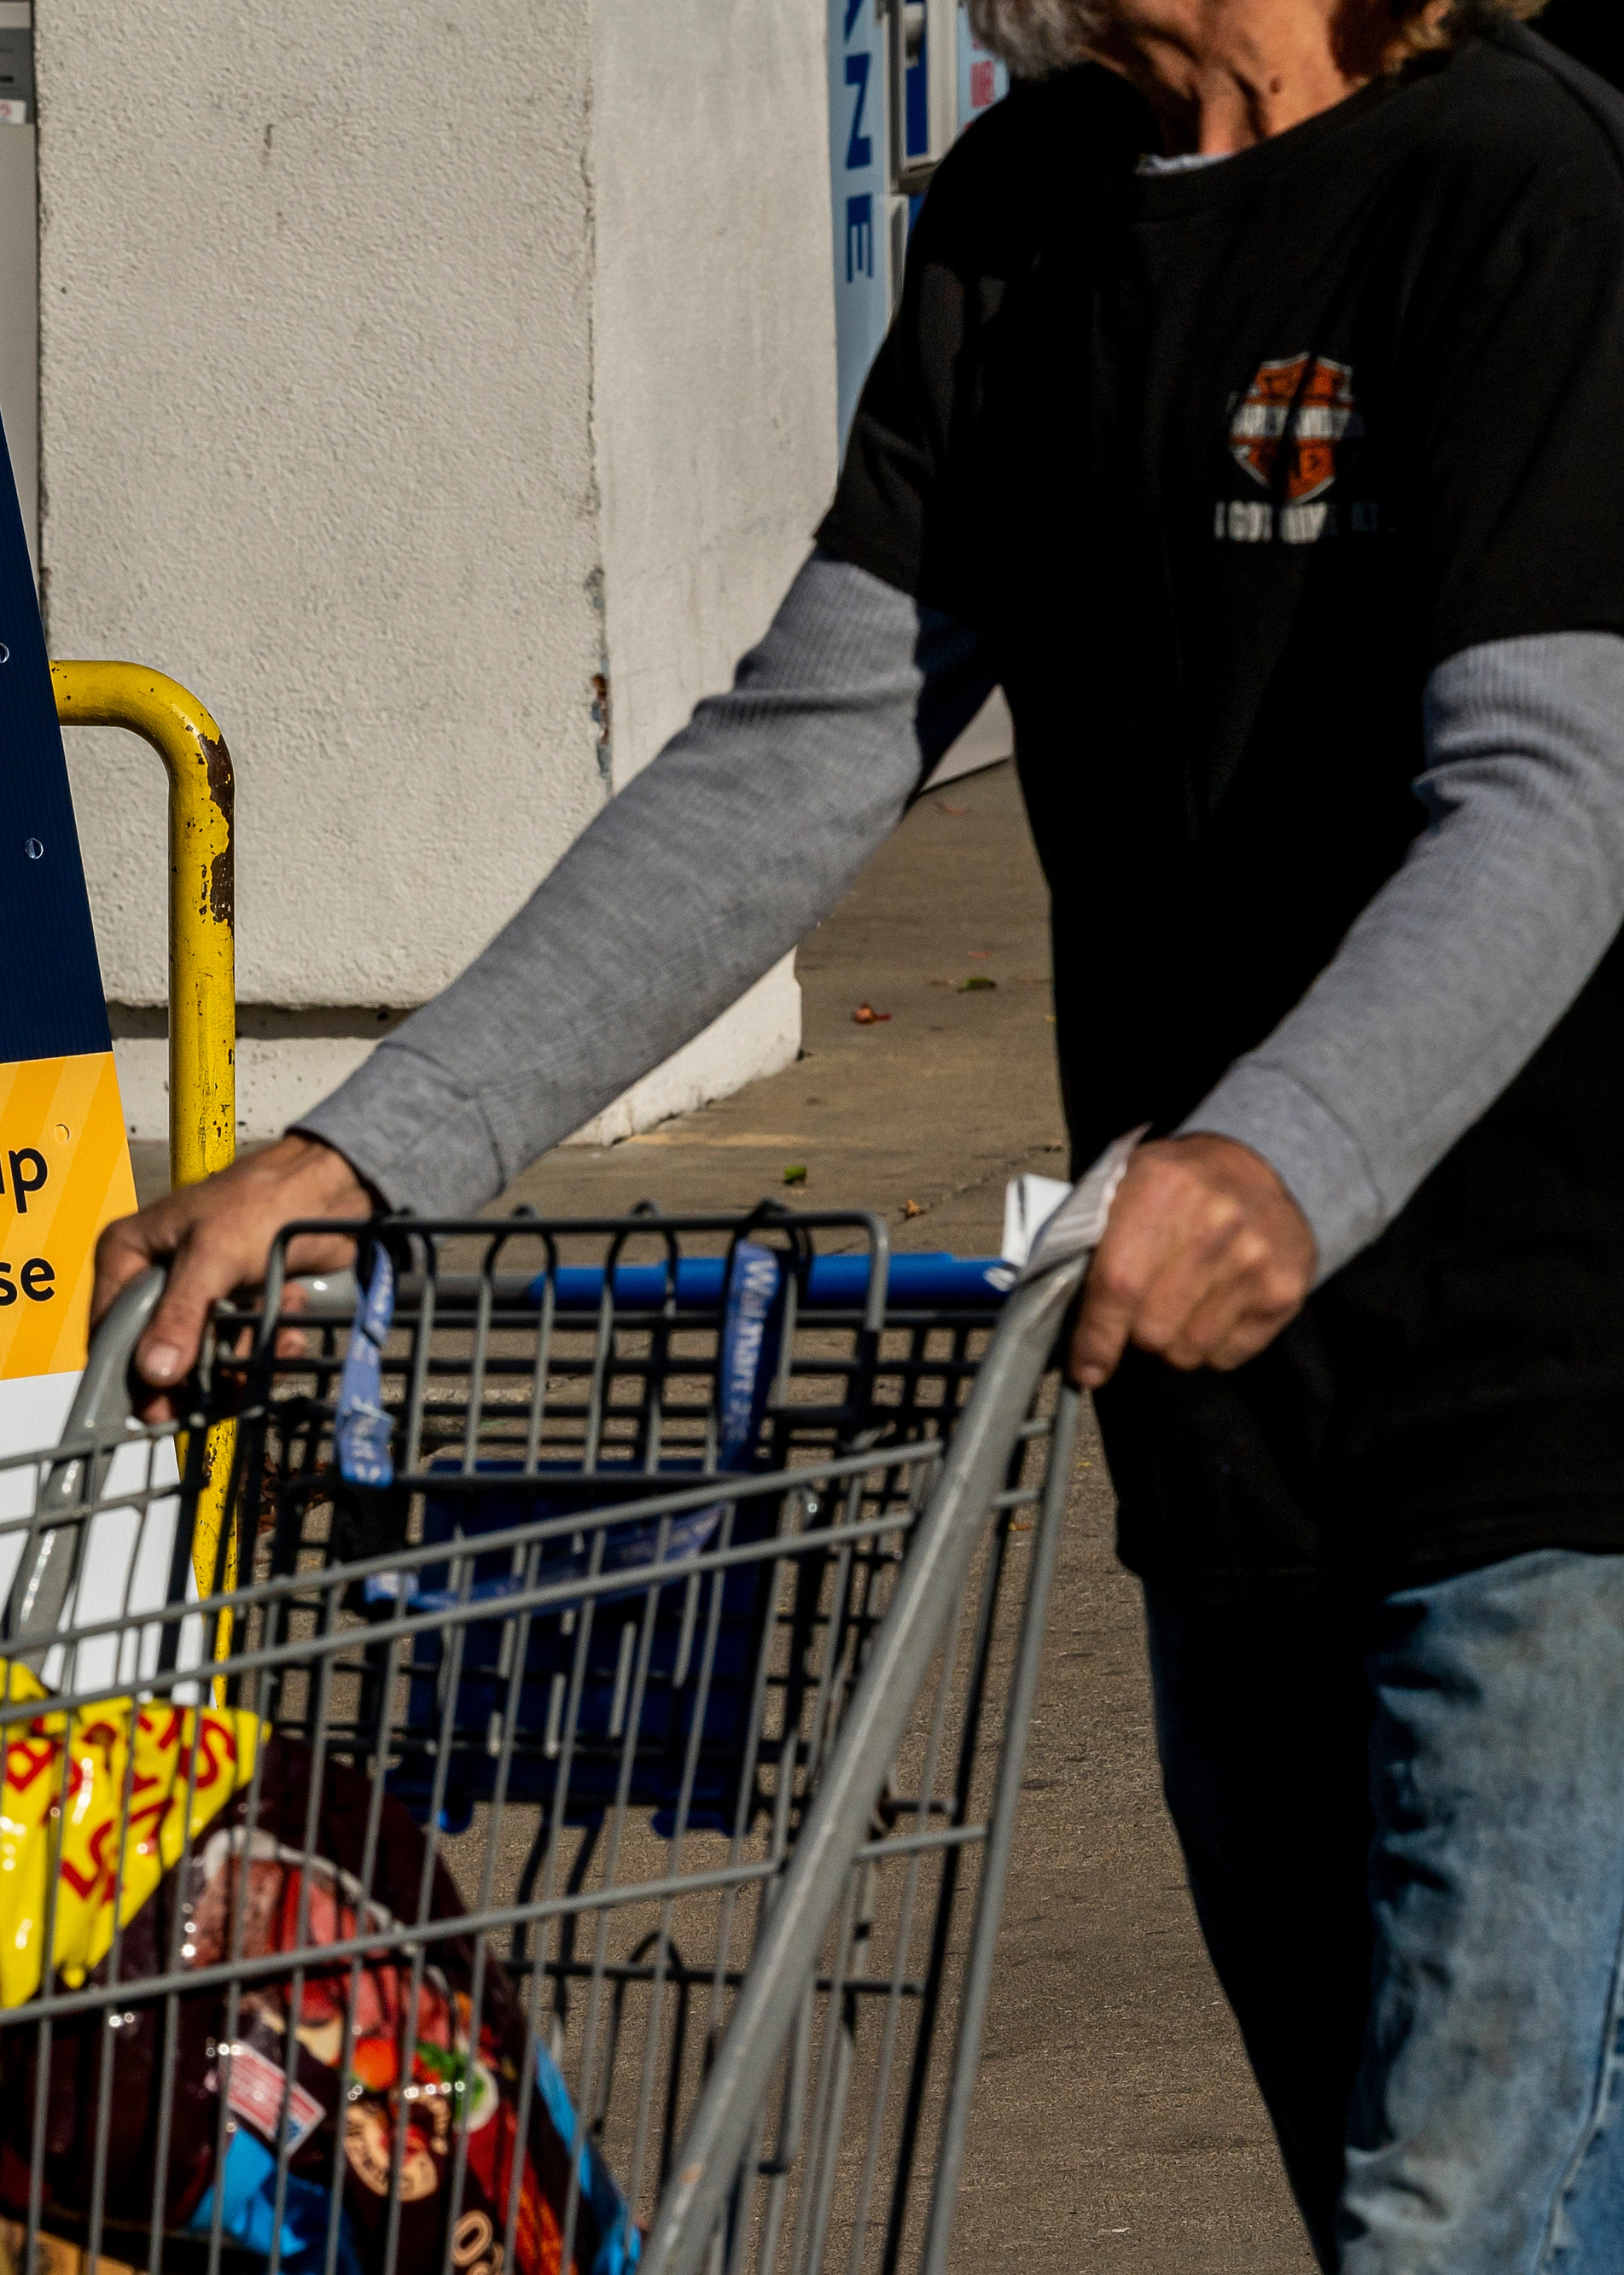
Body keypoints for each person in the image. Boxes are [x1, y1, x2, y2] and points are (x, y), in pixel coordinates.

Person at [90, 2, 1624, 2266]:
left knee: (1453, 2222)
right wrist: (370, 1148)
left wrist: (1282, 1155)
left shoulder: (1520, 192)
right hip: (1214, 1423)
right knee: (1401, 2183)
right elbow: (805, 749)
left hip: (1539, 1418)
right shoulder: (1028, 213)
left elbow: (1555, 794)